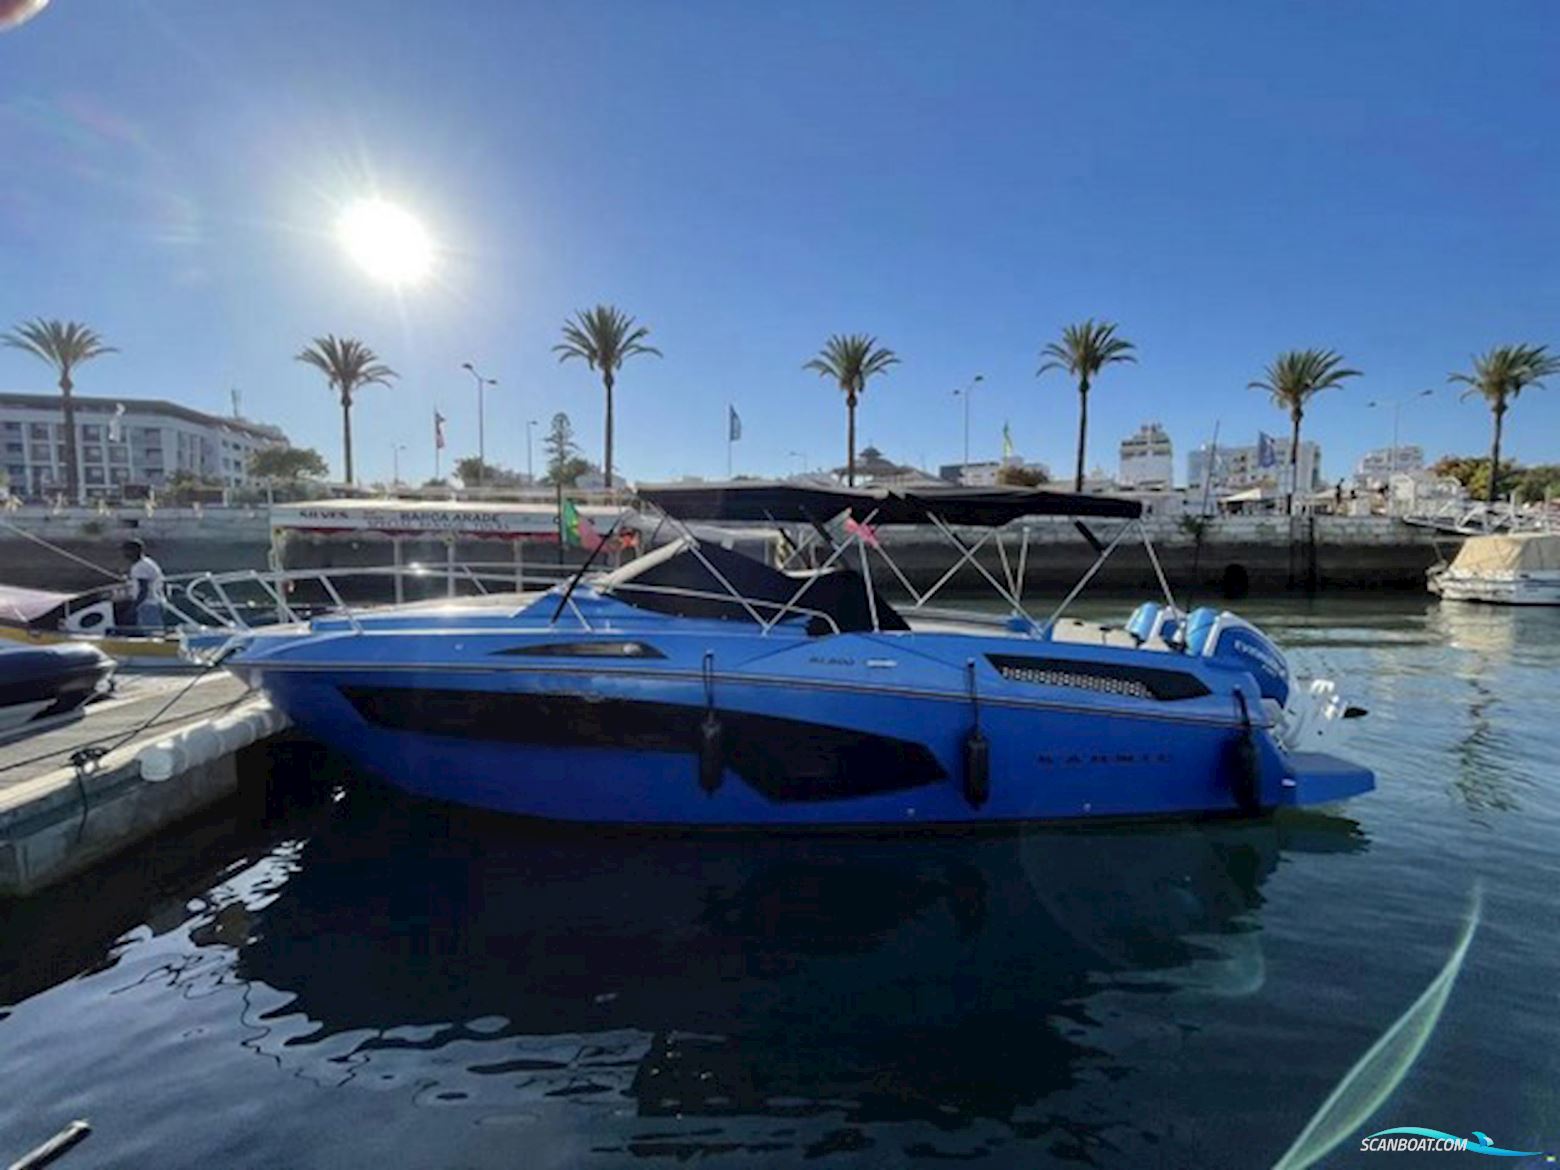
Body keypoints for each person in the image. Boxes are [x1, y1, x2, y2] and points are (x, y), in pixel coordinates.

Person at [122, 539, 165, 630]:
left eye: (126, 550)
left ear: (135, 551)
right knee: (155, 631)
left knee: (153, 633)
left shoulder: (140, 567)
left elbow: (143, 590)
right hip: (157, 602)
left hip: (148, 604)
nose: (124, 553)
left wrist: (133, 607)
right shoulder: (147, 562)